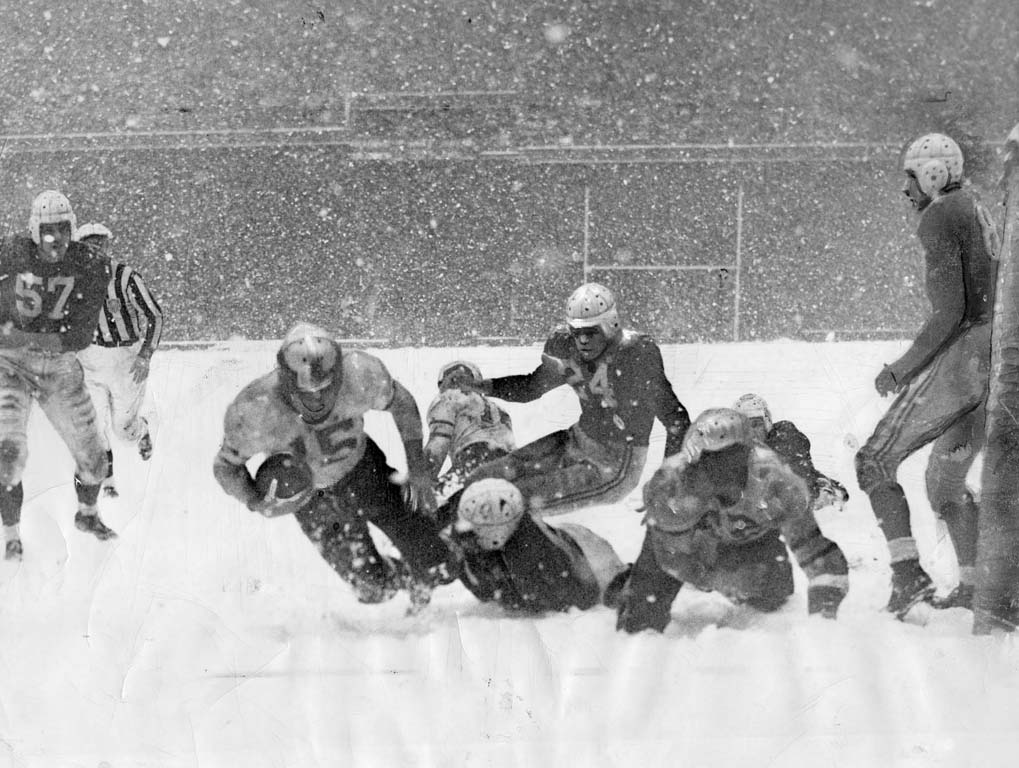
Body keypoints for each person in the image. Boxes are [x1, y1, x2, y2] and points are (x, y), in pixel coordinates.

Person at [212, 322, 457, 611]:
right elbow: (226, 467)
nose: (316, 400)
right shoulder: (256, 408)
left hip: (365, 471)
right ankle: (400, 573)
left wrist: (417, 468)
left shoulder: (359, 373)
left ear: (340, 374)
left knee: (440, 565)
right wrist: (255, 500)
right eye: (305, 394)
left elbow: (400, 402)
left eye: (326, 390)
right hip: (311, 499)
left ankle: (440, 549)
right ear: (285, 382)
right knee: (373, 589)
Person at [855, 133, 997, 618]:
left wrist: (901, 369)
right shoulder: (972, 206)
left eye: (910, 177)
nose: (905, 190)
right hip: (1000, 353)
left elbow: (950, 311)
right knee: (945, 484)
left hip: (972, 353)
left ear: (933, 174)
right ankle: (980, 587)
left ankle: (907, 573)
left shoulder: (940, 215)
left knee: (873, 460)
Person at [440, 282, 691, 524]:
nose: (582, 340)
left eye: (590, 332)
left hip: (614, 463)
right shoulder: (565, 347)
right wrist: (486, 386)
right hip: (575, 439)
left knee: (509, 500)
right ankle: (433, 525)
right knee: (484, 477)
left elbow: (676, 419)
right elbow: (532, 386)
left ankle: (455, 550)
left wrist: (667, 479)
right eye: (577, 332)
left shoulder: (634, 355)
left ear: (611, 325)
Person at [613, 408, 851, 634]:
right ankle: (626, 583)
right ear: (693, 464)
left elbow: (817, 552)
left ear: (749, 454)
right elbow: (670, 558)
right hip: (688, 545)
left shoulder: (775, 481)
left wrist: (825, 618)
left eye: (733, 458)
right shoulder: (670, 488)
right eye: (713, 462)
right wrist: (717, 579)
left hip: (746, 540)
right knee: (638, 622)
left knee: (773, 595)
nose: (724, 472)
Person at [0, 191, 115, 559]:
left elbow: (81, 335)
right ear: (35, 230)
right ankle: (12, 534)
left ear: (73, 228)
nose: (56, 239)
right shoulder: (12, 252)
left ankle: (87, 513)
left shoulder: (89, 264)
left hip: (59, 362)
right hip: (10, 362)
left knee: (95, 457)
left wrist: (25, 334)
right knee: (8, 456)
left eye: (63, 230)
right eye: (48, 230)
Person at [443, 477, 628, 613]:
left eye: (476, 527)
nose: (470, 535)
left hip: (589, 562)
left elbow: (574, 600)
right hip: (567, 545)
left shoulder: (536, 557)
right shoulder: (472, 537)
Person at [74, 223, 163, 497]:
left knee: (122, 431)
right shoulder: (73, 281)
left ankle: (142, 429)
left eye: (99, 244)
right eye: (88, 245)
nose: (94, 250)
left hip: (125, 358)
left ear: (107, 246)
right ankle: (108, 482)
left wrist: (145, 354)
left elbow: (155, 316)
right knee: (93, 425)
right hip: (90, 358)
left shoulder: (125, 278)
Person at [732, 393, 849, 512]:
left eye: (756, 424)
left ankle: (828, 491)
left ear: (767, 422)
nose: (751, 432)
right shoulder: (734, 451)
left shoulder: (784, 437)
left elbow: (799, 474)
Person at [424, 360, 515, 502]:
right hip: (508, 464)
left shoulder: (448, 400)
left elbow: (437, 447)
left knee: (427, 508)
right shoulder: (499, 410)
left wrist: (420, 485)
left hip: (473, 460)